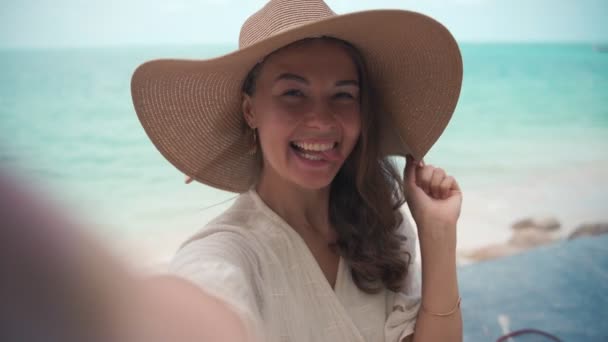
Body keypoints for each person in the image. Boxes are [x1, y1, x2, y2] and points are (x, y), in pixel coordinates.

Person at [130, 0, 464, 341]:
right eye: (293, 93)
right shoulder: (232, 251)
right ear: (250, 110)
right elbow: (203, 291)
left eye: (343, 95)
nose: (321, 119)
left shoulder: (383, 225)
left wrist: (438, 234)